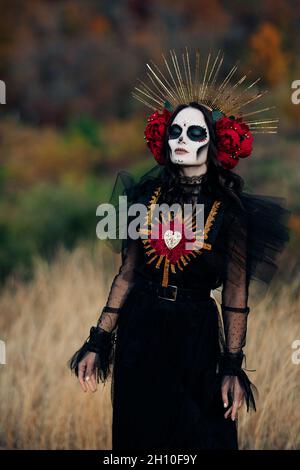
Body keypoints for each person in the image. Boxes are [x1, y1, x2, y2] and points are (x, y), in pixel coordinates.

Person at [68, 49, 290, 450]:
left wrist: (232, 365)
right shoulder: (145, 196)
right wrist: (98, 340)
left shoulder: (230, 212)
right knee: (140, 438)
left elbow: (236, 294)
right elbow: (127, 274)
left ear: (214, 143)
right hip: (141, 330)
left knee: (200, 437)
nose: (182, 140)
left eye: (194, 132)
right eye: (175, 131)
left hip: (196, 334)